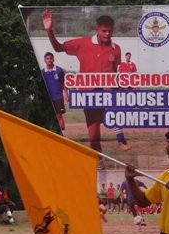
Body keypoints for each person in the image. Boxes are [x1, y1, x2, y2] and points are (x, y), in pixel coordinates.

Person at [41, 9, 131, 154]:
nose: (107, 34)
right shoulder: (83, 44)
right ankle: (99, 162)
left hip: (107, 91)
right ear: (97, 29)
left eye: (110, 31)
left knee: (114, 110)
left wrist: (121, 89)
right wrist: (49, 30)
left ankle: (121, 139)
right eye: (104, 31)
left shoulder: (116, 49)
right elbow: (58, 48)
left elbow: (115, 73)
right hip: (88, 94)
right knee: (94, 136)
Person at [41, 52, 67, 131]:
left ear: (53, 59)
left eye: (50, 58)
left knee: (59, 116)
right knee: (48, 117)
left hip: (58, 97)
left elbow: (64, 83)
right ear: (44, 60)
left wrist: (66, 94)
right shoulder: (43, 72)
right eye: (47, 59)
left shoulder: (59, 70)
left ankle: (62, 133)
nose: (49, 60)